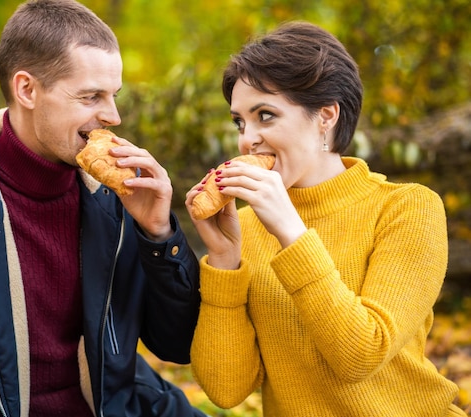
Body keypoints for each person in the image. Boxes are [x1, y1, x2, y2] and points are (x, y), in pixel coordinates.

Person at [0, 1, 204, 416]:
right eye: (91, 96)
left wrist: (159, 235)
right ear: (27, 90)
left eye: (113, 95)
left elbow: (177, 344)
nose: (113, 116)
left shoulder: (111, 196)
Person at [185, 21, 467, 417]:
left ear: (326, 116)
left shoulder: (408, 208)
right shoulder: (245, 227)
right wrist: (224, 260)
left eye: (265, 115)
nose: (247, 139)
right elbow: (226, 389)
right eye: (239, 121)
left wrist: (291, 233)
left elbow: (361, 354)